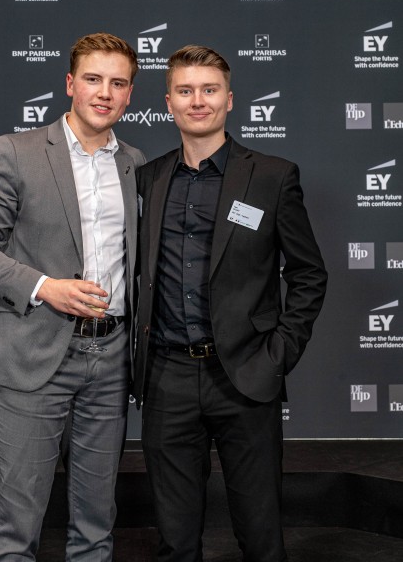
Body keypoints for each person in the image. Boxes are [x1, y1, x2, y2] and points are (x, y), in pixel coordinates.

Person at [133, 45, 327, 562]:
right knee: (175, 543)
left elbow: (309, 274)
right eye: (185, 90)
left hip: (246, 376)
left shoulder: (272, 176)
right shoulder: (147, 179)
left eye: (209, 89)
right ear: (169, 102)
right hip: (167, 379)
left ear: (230, 99)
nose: (198, 101)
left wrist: (277, 355)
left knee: (262, 539)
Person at [0, 32, 145, 562]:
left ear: (130, 94)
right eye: (93, 79)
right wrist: (47, 288)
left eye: (118, 83)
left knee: (96, 521)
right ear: (69, 84)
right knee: (18, 521)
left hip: (113, 358)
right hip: (34, 350)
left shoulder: (135, 163)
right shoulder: (16, 152)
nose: (104, 93)